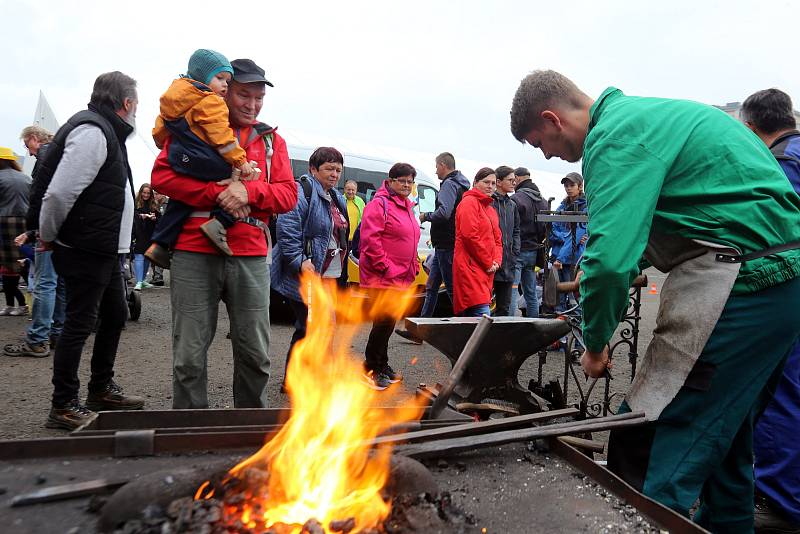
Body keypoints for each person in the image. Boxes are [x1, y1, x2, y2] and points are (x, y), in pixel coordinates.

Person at [510, 70, 800, 531]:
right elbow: (697, 210)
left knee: (656, 436)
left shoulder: (614, 137)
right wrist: (637, 255)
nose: (544, 153)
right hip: (781, 284)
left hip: (745, 283)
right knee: (725, 438)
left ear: (552, 118)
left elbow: (606, 264)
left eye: (537, 141)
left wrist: (597, 344)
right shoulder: (653, 116)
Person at [151, 58, 297, 409]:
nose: (252, 104)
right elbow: (161, 178)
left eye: (259, 97)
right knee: (188, 355)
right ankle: (189, 431)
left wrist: (250, 192)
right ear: (224, 90)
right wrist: (218, 194)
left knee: (255, 354)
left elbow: (288, 195)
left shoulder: (271, 140)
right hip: (192, 248)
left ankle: (248, 433)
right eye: (244, 94)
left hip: (250, 251)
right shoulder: (193, 126)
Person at [38, 71, 146, 429]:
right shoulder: (93, 132)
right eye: (137, 104)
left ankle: (100, 388)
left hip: (104, 248)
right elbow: (58, 193)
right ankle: (63, 404)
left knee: (115, 315)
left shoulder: (105, 130)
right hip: (85, 245)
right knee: (79, 323)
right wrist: (48, 235)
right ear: (127, 103)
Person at [741, 88, 800, 531]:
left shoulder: (783, 166)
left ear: (752, 127)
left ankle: (779, 502)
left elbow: (774, 238)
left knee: (782, 386)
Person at [146, 49, 258, 266]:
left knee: (180, 200)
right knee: (239, 180)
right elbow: (222, 138)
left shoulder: (177, 98)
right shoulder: (211, 101)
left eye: (227, 80)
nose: (225, 85)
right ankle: (220, 222)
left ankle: (159, 243)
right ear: (203, 77)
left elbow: (161, 128)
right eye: (220, 78)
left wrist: (164, 142)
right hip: (201, 157)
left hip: (180, 156)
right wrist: (240, 161)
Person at [271, 147, 349, 390]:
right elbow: (288, 229)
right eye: (328, 168)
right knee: (308, 327)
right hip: (306, 274)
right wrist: (300, 259)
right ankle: (294, 380)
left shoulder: (336, 197)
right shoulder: (302, 191)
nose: (334, 174)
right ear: (313, 169)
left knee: (324, 327)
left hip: (329, 274)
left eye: (338, 169)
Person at [394, 152, 470, 343]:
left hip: (446, 243)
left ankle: (465, 333)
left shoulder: (449, 185)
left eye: (437, 166)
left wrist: (425, 216)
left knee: (452, 289)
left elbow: (444, 213)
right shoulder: (461, 184)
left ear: (443, 165)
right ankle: (419, 331)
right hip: (445, 244)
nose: (436, 170)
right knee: (431, 287)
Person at [4, 126, 66, 357]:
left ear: (33, 138)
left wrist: (35, 230)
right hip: (65, 227)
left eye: (26, 145)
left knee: (44, 283)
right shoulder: (62, 152)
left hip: (50, 227)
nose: (28, 152)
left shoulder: (45, 156)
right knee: (58, 283)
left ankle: (38, 338)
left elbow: (42, 196)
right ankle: (57, 334)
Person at [359, 163, 420, 390]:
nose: (406, 185)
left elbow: (411, 239)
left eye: (409, 181)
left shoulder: (406, 206)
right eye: (401, 180)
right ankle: (371, 368)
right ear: (391, 181)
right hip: (382, 277)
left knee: (388, 323)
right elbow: (370, 241)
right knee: (382, 323)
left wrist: (412, 266)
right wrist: (386, 267)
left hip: (400, 278)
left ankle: (382, 364)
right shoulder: (379, 204)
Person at [453, 167, 502, 317]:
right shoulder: (469, 203)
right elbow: (470, 236)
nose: (490, 186)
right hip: (470, 267)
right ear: (475, 182)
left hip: (485, 269)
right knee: (481, 316)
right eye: (486, 182)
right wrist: (489, 263)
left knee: (471, 319)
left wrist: (497, 262)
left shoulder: (490, 209)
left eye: (493, 183)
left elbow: (498, 240)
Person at [510, 166, 548, 317]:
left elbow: (510, 227)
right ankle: (534, 327)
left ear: (518, 178)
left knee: (511, 293)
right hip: (533, 251)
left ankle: (510, 329)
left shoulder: (516, 199)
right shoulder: (543, 201)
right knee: (531, 294)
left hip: (518, 251)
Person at [549, 172, 587, 310]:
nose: (568, 188)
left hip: (573, 260)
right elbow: (552, 230)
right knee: (558, 297)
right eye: (566, 185)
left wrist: (560, 257)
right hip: (559, 256)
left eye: (572, 185)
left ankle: (577, 328)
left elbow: (578, 234)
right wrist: (566, 235)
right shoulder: (562, 206)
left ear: (580, 186)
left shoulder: (585, 207)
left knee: (574, 296)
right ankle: (562, 328)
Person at [0, 147, 31, 317]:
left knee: (7, 266)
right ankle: (29, 304)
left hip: (3, 222)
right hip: (25, 224)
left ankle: (14, 304)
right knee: (25, 263)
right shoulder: (25, 178)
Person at [491, 166, 520, 316]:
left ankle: (498, 338)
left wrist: (515, 250)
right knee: (484, 305)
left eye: (514, 179)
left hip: (508, 261)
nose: (514, 182)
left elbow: (516, 230)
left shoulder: (512, 205)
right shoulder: (489, 203)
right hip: (491, 262)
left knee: (504, 307)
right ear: (499, 182)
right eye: (510, 180)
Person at [132, 183, 159, 290]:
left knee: (148, 256)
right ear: (141, 192)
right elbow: (132, 215)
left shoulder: (154, 204)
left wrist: (154, 218)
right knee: (139, 256)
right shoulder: (136, 203)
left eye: (148, 193)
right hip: (139, 233)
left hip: (150, 234)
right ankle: (138, 281)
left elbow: (159, 219)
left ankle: (142, 280)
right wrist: (140, 216)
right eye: (144, 192)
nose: (146, 195)